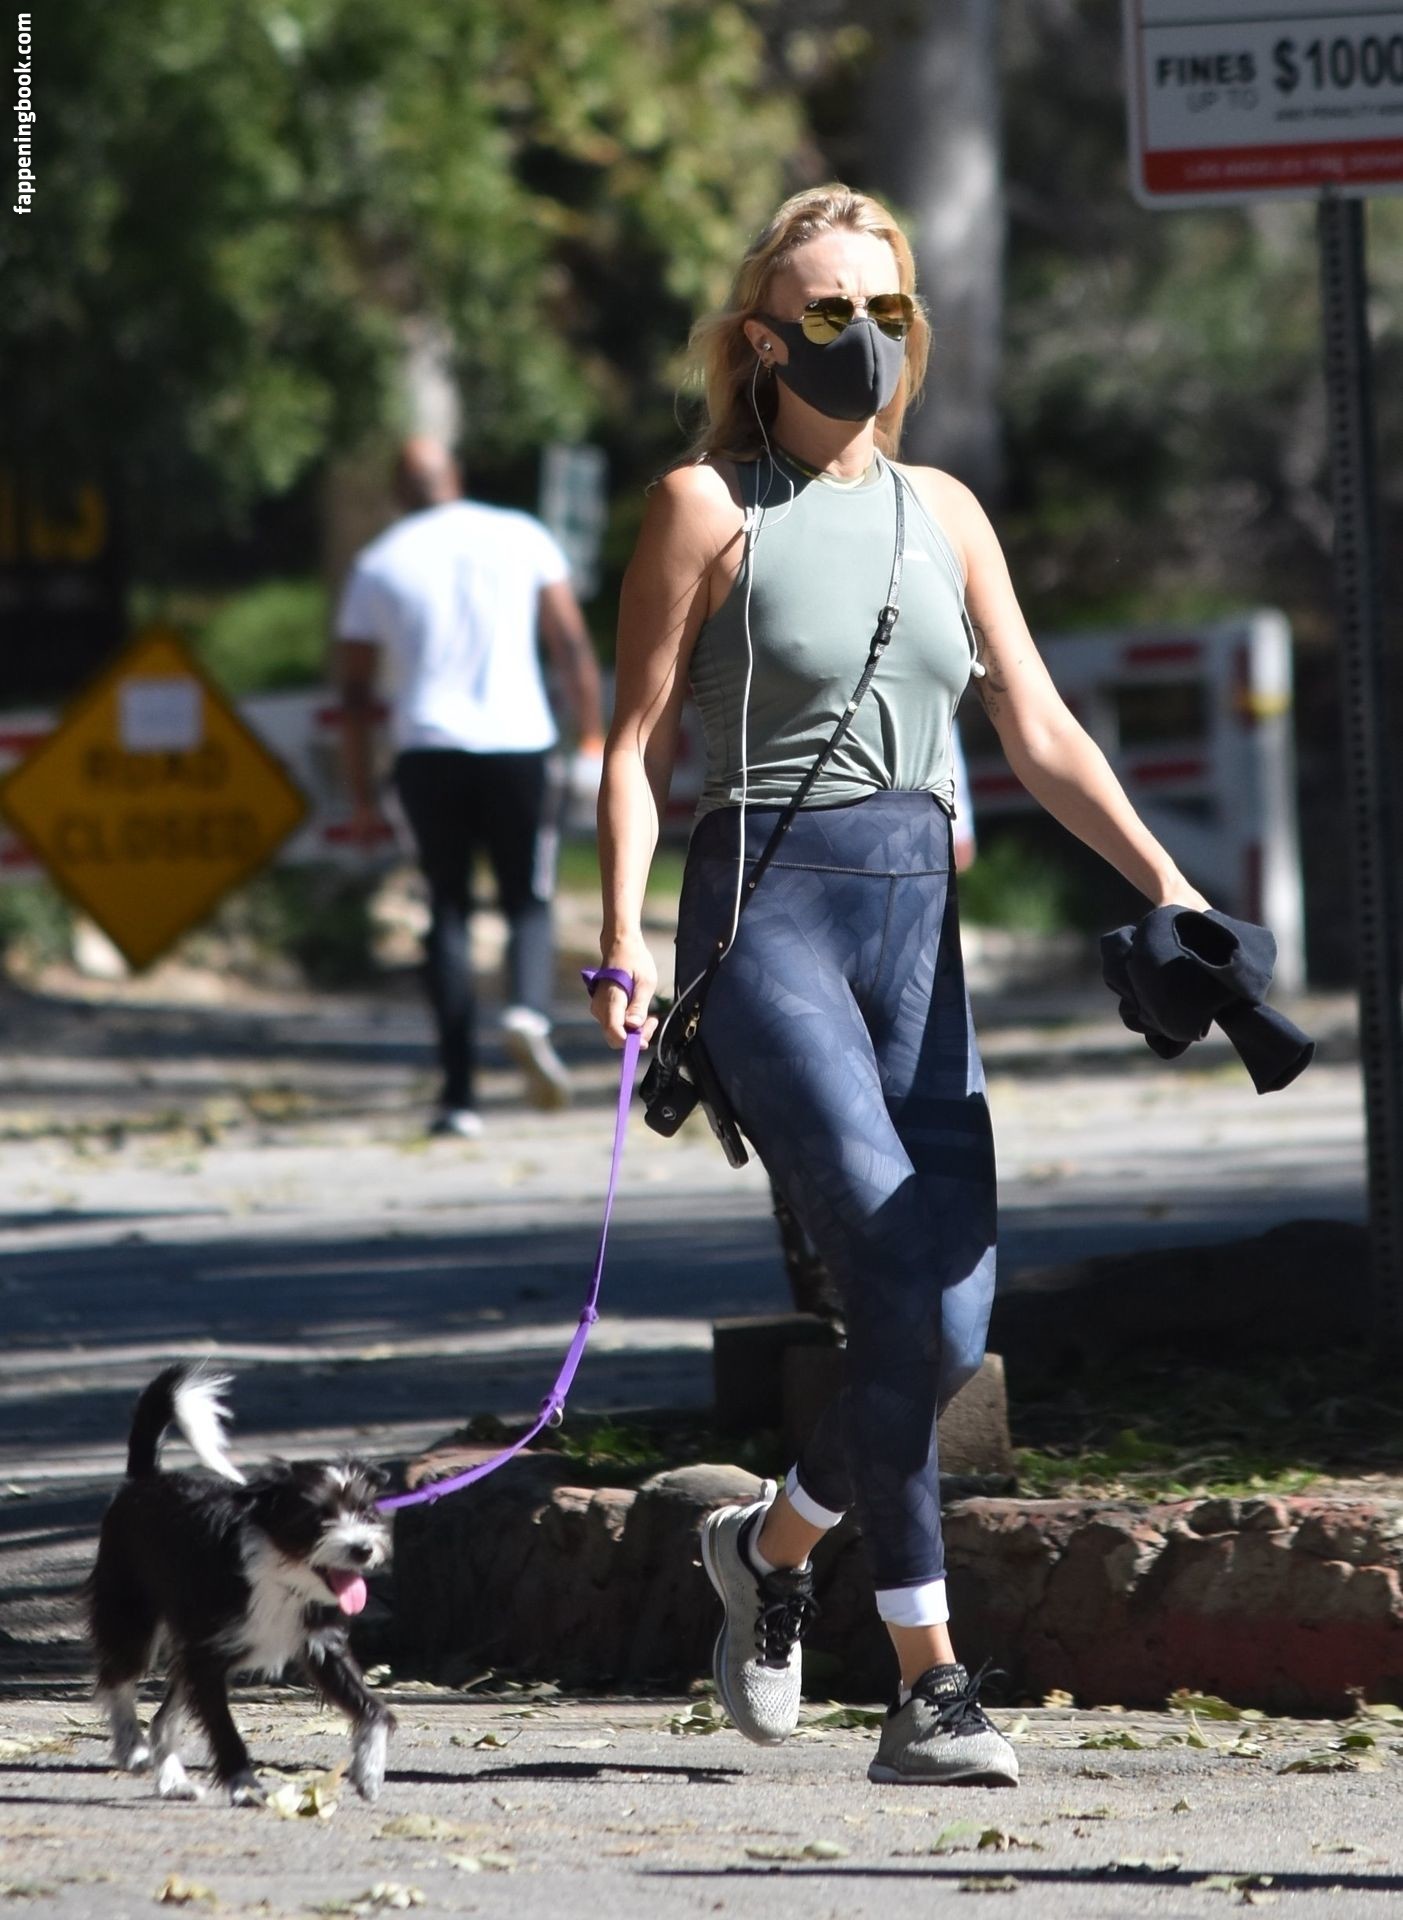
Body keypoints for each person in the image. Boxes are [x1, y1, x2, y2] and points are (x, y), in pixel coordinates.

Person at [588, 184, 1211, 1786]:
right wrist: (623, 938)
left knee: (943, 1327)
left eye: (885, 310)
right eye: (824, 312)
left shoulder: (944, 511)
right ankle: (929, 1686)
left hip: (914, 928)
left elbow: (1037, 729)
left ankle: (768, 1548)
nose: (858, 337)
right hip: (763, 921)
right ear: (759, 338)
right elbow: (633, 748)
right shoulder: (703, 506)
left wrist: (1164, 880)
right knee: (881, 1251)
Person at [337, 438, 605, 1137]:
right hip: (518, 744)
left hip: (426, 751)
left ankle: (458, 1096)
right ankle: (527, 1011)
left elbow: (355, 693)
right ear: (454, 475)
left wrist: (361, 795)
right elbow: (569, 643)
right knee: (527, 897)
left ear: (398, 492)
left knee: (446, 908)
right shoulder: (521, 534)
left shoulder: (377, 562)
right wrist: (590, 736)